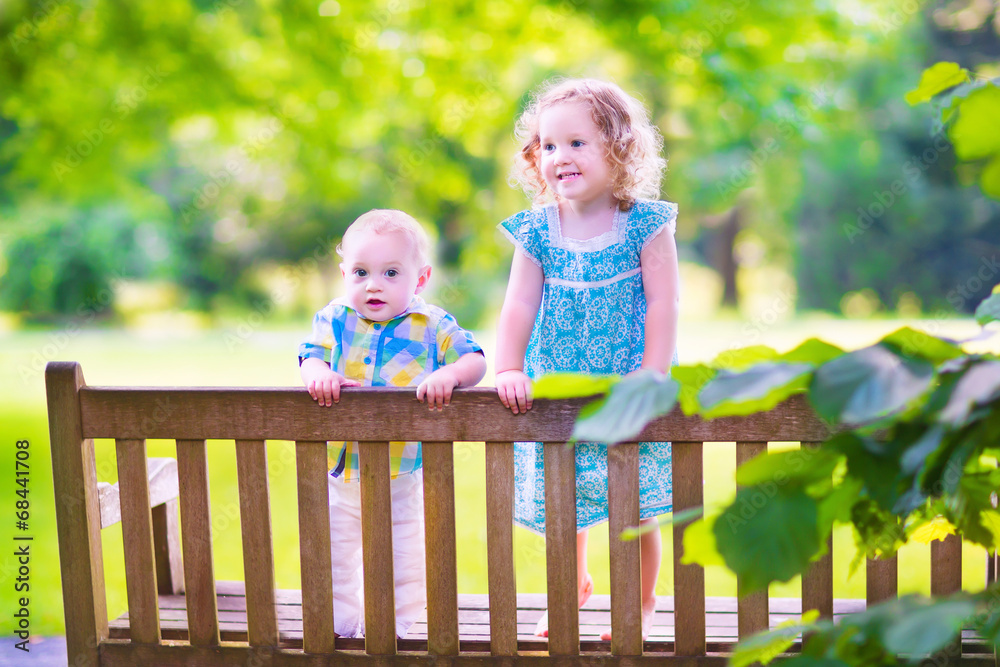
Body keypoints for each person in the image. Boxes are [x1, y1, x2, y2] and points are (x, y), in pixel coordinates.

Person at [494, 78, 679, 640]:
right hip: (560, 387)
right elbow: (519, 305)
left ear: (619, 149)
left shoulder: (645, 223)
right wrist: (508, 366)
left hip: (626, 387)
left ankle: (642, 601)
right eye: (548, 146)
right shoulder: (537, 231)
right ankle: (570, 590)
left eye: (577, 143)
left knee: (637, 505)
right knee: (564, 503)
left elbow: (663, 301)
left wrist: (653, 374)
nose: (559, 157)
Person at [299, 209, 487, 639]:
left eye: (390, 272)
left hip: (403, 468)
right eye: (361, 272)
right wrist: (319, 375)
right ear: (344, 272)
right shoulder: (335, 318)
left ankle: (399, 623)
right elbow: (309, 356)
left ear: (419, 279)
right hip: (343, 467)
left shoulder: (433, 324)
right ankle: (342, 624)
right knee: (337, 548)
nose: (373, 284)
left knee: (405, 549)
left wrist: (449, 375)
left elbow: (475, 359)